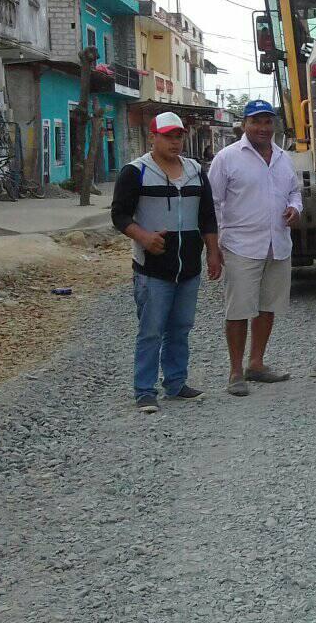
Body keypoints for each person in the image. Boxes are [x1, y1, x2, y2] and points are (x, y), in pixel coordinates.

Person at [111, 111, 222, 413]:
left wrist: (213, 252)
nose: (175, 142)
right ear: (153, 137)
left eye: (178, 136)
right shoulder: (136, 172)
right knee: (151, 330)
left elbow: (207, 216)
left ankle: (175, 382)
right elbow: (119, 215)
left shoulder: (195, 171)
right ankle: (144, 390)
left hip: (188, 267)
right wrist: (144, 237)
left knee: (181, 327)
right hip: (152, 269)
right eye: (168, 136)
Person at [207, 99, 302, 397]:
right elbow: (212, 203)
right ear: (244, 125)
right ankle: (236, 372)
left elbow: (294, 192)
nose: (262, 127)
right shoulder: (227, 158)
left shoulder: (284, 158)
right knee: (238, 310)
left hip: (278, 245)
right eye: (255, 121)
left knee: (267, 306)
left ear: (274, 124)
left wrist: (295, 208)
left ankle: (256, 363)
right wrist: (214, 246)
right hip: (241, 246)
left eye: (267, 121)